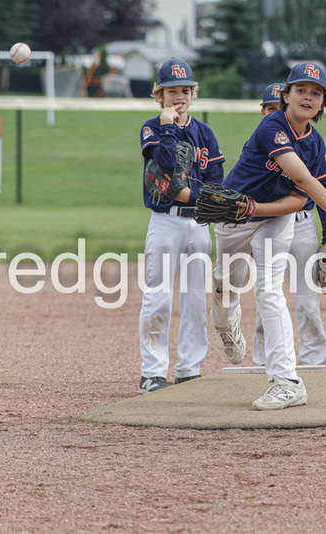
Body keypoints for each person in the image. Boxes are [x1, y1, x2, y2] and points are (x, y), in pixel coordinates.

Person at [212, 63, 326, 411]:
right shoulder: (272, 125)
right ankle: (227, 326)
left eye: (316, 93)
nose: (308, 96)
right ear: (285, 96)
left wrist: (256, 210)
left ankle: (287, 381)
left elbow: (300, 197)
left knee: (269, 290)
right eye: (301, 89)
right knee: (224, 289)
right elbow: (300, 176)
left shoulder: (315, 144)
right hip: (231, 217)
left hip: (272, 218)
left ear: (322, 105)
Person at [137, 57, 226, 394]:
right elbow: (167, 161)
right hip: (165, 223)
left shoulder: (205, 132)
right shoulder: (151, 127)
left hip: (199, 224)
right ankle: (153, 372)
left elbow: (216, 181)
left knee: (194, 300)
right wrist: (168, 125)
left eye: (185, 90)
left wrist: (202, 198)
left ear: (193, 93)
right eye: (172, 91)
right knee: (158, 298)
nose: (179, 96)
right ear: (159, 95)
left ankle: (189, 369)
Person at [252, 82, 326, 368]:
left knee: (306, 297)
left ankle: (314, 360)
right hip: (264, 223)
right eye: (272, 109)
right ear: (264, 111)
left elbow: (323, 187)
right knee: (267, 293)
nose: (277, 115)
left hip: (301, 224)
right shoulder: (260, 144)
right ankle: (264, 361)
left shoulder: (310, 143)